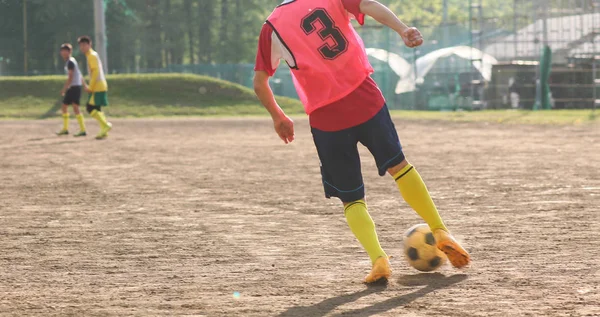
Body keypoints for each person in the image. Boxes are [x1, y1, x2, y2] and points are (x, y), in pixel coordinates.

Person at [253, 0, 471, 284]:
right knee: (399, 167)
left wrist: (278, 116)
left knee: (351, 197)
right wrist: (403, 29)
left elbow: (259, 82)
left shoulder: (271, 27)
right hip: (364, 98)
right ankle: (440, 230)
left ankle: (378, 260)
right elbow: (368, 4)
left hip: (325, 117)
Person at [78, 36, 112, 140]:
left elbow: (95, 71)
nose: (82, 47)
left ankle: (105, 125)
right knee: (96, 108)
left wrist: (90, 87)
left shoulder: (91, 56)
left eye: (84, 45)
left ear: (89, 44)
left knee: (90, 108)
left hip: (97, 85)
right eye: (81, 45)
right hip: (100, 84)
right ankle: (103, 131)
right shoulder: (92, 55)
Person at [56, 43, 87, 137]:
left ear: (69, 52)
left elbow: (71, 77)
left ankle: (83, 130)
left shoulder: (70, 62)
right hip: (73, 87)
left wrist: (64, 89)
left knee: (75, 108)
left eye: (65, 51)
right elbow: (80, 74)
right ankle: (65, 129)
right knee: (64, 107)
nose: (63, 53)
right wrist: (84, 85)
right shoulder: (70, 61)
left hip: (74, 87)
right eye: (62, 51)